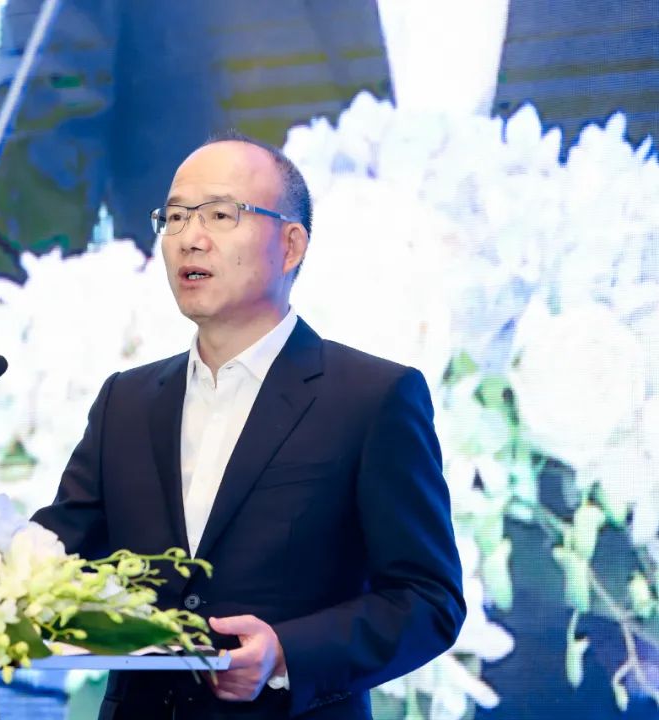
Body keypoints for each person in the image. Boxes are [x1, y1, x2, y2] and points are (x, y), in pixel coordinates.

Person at [31, 131, 465, 719]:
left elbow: (427, 599)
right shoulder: (125, 401)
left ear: (290, 246)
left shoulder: (371, 398)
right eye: (175, 217)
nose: (190, 238)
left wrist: (287, 653)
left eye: (219, 214)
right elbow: (53, 559)